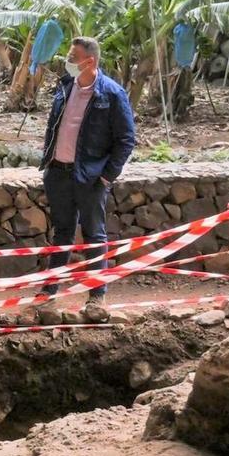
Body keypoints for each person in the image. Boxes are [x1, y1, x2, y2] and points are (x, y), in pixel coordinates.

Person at [38, 36, 137, 305]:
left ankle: (97, 296)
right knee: (62, 232)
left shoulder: (112, 94)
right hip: (58, 173)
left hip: (91, 177)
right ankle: (50, 290)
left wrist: (106, 176)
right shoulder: (65, 86)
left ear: (89, 61)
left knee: (94, 235)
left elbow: (126, 139)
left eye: (72, 57)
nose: (67, 62)